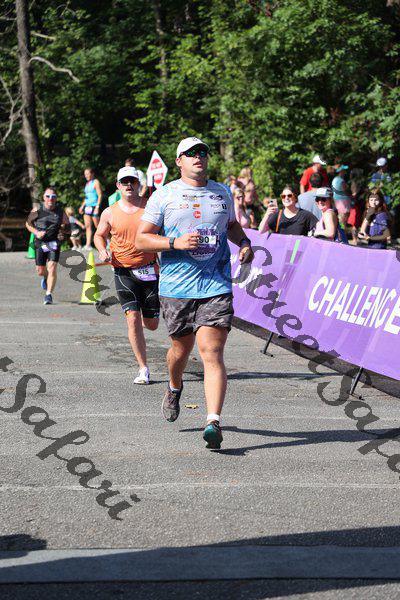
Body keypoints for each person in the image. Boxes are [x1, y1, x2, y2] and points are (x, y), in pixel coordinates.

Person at [135, 136, 254, 450]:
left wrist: (244, 243)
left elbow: (231, 226)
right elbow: (142, 239)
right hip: (176, 288)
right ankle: (175, 386)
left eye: (202, 152)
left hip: (216, 284)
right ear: (179, 161)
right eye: (190, 153)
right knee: (181, 350)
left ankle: (213, 421)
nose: (198, 157)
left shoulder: (222, 192)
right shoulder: (164, 195)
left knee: (211, 352)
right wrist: (174, 243)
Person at [94, 166, 160, 384]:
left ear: (139, 184)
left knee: (151, 324)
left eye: (132, 181)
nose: (129, 185)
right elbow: (99, 235)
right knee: (132, 318)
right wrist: (102, 250)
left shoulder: (151, 207)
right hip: (123, 270)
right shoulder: (109, 212)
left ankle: (144, 319)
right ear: (118, 186)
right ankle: (143, 368)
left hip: (149, 269)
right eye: (124, 182)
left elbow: (163, 232)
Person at [25, 187, 70, 305]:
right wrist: (36, 232)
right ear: (44, 198)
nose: (50, 199)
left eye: (53, 196)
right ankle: (45, 277)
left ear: (56, 198)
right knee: (40, 271)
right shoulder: (38, 209)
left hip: (54, 242)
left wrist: (63, 232)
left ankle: (48, 295)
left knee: (52, 267)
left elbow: (67, 226)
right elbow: (28, 224)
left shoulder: (60, 212)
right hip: (40, 242)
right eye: (48, 196)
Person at [79, 167, 102, 250]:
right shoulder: (87, 184)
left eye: (87, 174)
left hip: (94, 206)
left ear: (92, 174)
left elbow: (100, 195)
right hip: (87, 207)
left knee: (97, 226)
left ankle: (107, 240)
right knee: (88, 226)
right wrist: (82, 206)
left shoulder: (96, 182)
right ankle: (88, 244)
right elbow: (87, 197)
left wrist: (97, 207)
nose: (86, 176)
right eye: (85, 174)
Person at [347, 168, 365, 245]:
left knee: (356, 224)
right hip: (355, 206)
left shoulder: (353, 182)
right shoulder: (355, 183)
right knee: (355, 224)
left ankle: (355, 239)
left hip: (356, 205)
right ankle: (354, 239)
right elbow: (354, 194)